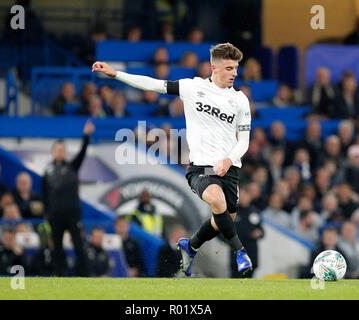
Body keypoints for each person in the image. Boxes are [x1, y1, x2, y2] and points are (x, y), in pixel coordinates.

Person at [92, 42, 253, 276]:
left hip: (229, 169)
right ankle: (240, 252)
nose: (235, 73)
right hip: (201, 168)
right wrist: (116, 74)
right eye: (229, 68)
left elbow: (244, 141)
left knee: (222, 220)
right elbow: (153, 84)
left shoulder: (240, 100)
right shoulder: (192, 87)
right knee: (218, 203)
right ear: (213, 68)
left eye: (236, 68)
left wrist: (228, 160)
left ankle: (191, 245)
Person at [42, 120, 95, 277]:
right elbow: (44, 194)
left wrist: (86, 136)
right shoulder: (47, 172)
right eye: (57, 149)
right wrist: (47, 214)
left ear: (65, 152)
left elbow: (82, 152)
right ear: (53, 152)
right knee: (57, 246)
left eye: (62, 149)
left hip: (72, 213)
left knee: (79, 245)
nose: (60, 151)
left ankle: (86, 274)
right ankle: (59, 273)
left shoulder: (72, 167)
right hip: (55, 215)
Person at [230, 188, 263, 278]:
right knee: (235, 280)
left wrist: (259, 233)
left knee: (249, 281)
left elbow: (262, 231)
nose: (243, 198)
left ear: (249, 197)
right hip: (236, 253)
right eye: (241, 196)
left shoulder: (255, 211)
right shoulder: (232, 212)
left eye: (245, 195)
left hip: (251, 253)